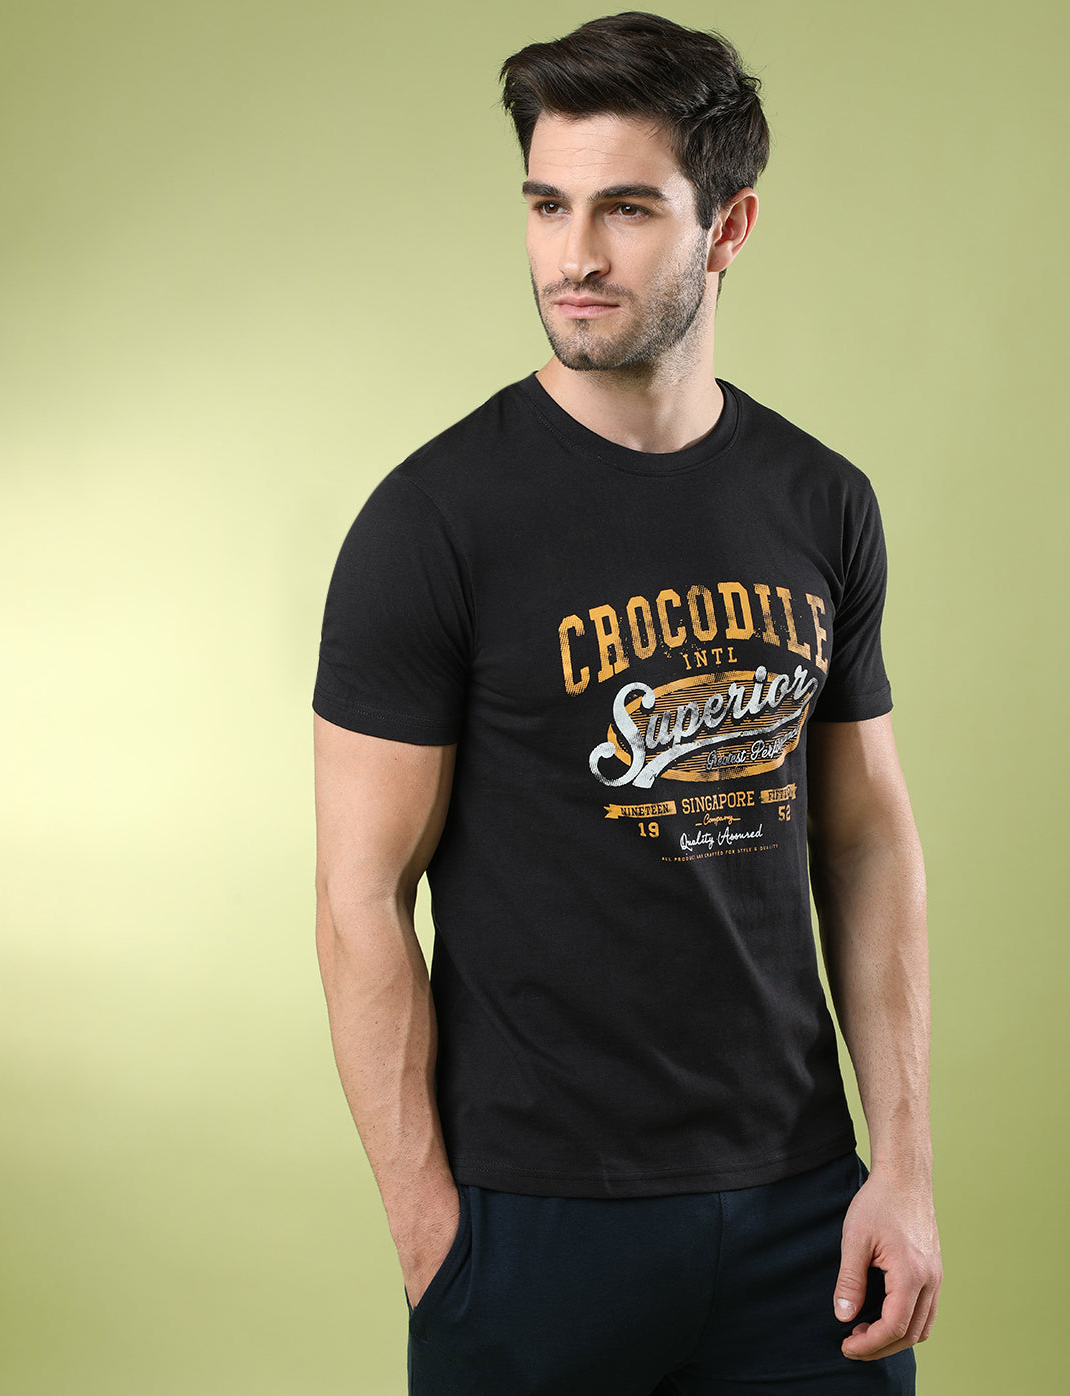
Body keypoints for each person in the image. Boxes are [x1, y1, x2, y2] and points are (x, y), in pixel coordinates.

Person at [312, 12, 941, 1393]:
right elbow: (360, 894)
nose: (573, 256)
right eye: (547, 205)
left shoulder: (820, 501)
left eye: (627, 209)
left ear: (728, 228)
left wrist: (901, 1167)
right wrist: (433, 1242)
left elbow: (864, 838)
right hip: (532, 1226)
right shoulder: (432, 523)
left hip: (803, 1211)